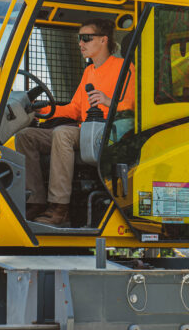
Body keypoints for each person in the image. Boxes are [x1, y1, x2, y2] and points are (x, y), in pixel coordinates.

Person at [15, 18, 134, 226]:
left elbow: (133, 107)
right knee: (26, 136)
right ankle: (35, 201)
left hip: (107, 133)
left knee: (63, 133)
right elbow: (74, 110)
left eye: (86, 38)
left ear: (104, 40)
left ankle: (60, 209)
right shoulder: (89, 72)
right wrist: (40, 108)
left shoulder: (124, 68)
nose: (81, 43)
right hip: (85, 130)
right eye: (80, 39)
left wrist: (108, 101)